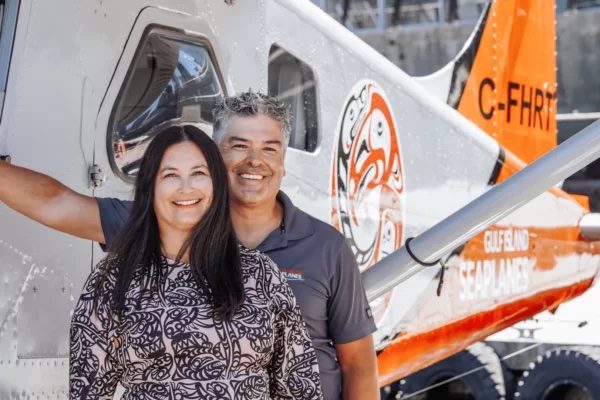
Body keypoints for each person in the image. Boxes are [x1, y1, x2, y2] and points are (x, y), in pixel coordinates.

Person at [0, 92, 379, 400]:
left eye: (269, 148)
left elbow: (353, 366)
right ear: (216, 154)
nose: (254, 161)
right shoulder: (154, 228)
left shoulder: (314, 252)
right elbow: (58, 205)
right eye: (239, 145)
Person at [69, 124, 323, 399]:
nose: (186, 187)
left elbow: (300, 387)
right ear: (150, 188)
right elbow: (87, 391)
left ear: (216, 184)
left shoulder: (260, 273)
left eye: (198, 173)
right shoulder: (115, 277)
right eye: (170, 175)